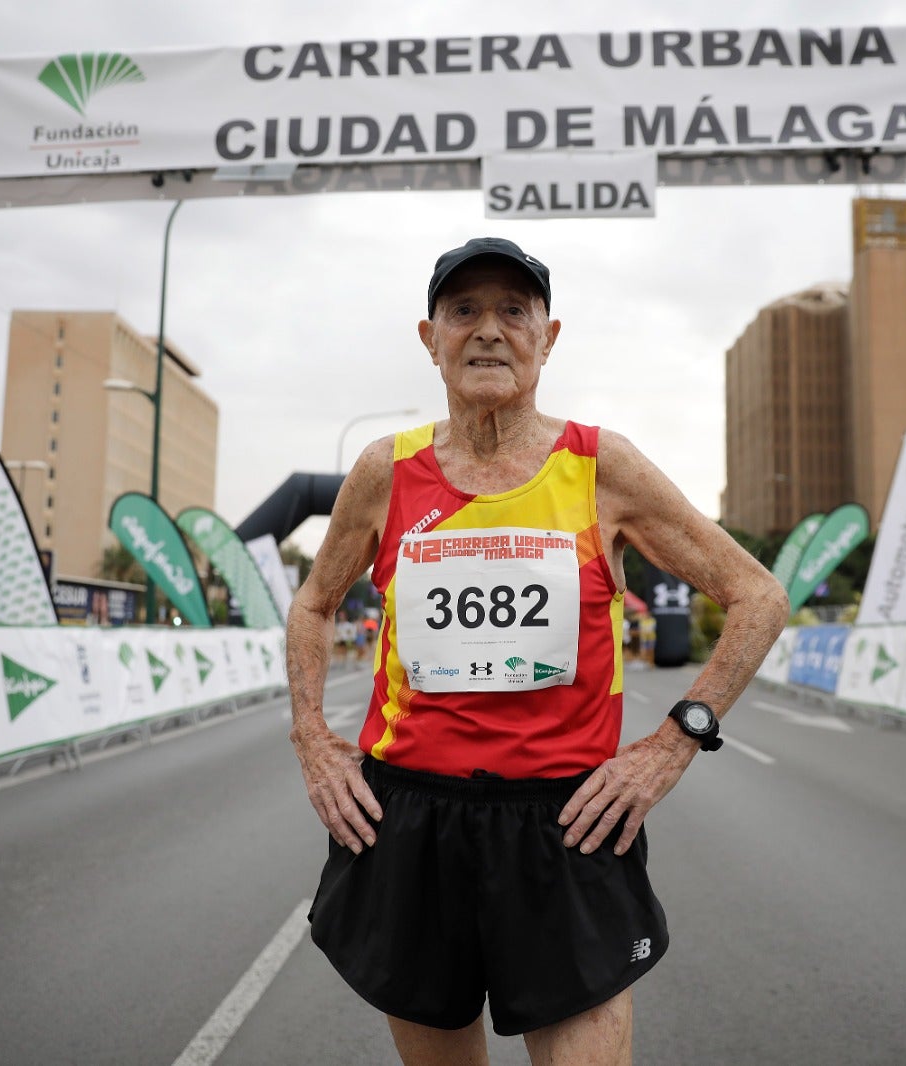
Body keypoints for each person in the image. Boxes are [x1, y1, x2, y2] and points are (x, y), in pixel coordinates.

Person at [286, 237, 787, 1065]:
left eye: (513, 311)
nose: (489, 330)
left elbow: (758, 596)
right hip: (410, 818)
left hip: (567, 822)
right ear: (429, 337)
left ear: (548, 338)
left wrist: (671, 744)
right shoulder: (385, 470)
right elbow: (312, 603)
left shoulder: (601, 466)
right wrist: (312, 739)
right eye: (464, 311)